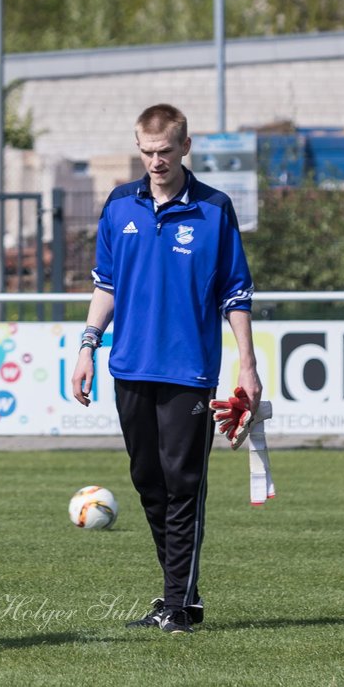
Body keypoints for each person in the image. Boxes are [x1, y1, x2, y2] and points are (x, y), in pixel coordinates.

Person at [71, 103, 260, 635]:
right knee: (148, 483)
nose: (155, 161)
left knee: (184, 484)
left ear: (184, 147)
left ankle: (177, 602)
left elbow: (236, 294)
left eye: (165, 152)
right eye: (147, 152)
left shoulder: (215, 210)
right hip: (129, 367)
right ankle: (182, 597)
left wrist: (247, 366)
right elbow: (105, 284)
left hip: (189, 372)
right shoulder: (117, 205)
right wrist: (88, 346)